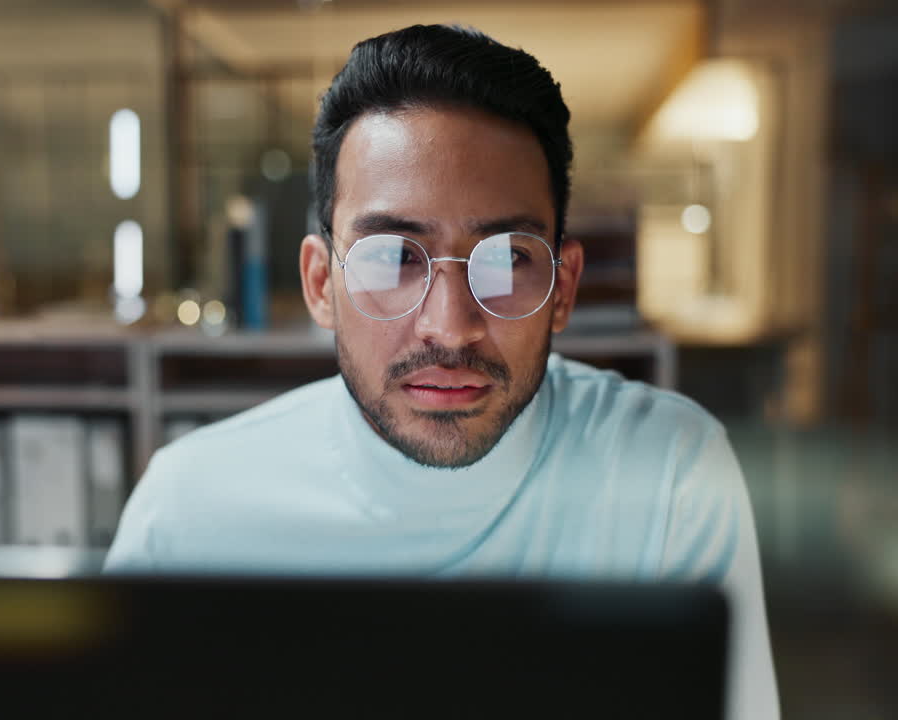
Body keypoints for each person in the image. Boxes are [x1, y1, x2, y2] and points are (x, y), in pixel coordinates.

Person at [107, 24, 779, 720]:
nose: (451, 326)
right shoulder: (191, 513)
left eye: (507, 259)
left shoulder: (666, 476)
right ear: (319, 284)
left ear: (564, 288)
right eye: (393, 259)